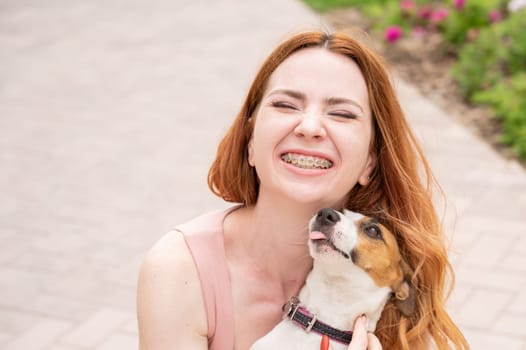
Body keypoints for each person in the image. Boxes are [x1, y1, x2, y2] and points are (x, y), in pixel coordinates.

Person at [137, 29, 469, 350]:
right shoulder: (179, 271)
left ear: (370, 160)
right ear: (250, 141)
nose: (309, 127)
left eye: (341, 113)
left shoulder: (392, 284)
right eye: (285, 105)